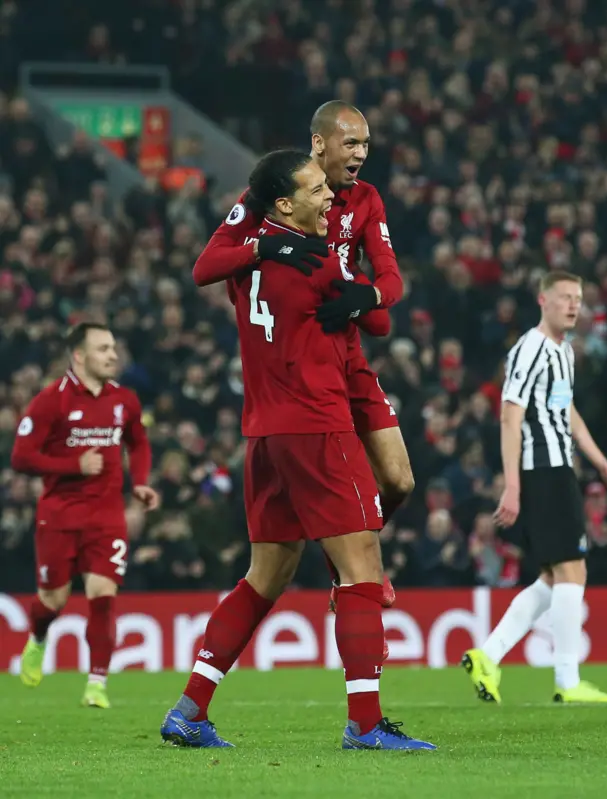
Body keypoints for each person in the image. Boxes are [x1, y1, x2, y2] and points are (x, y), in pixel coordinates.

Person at [161, 150, 436, 751]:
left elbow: (210, 264)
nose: (329, 199)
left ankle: (189, 709)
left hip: (264, 433)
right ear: (284, 203)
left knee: (266, 576)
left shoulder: (247, 259)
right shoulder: (315, 260)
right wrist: (359, 296)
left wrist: (266, 250)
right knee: (362, 568)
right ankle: (365, 726)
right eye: (315, 190)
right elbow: (384, 321)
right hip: (317, 427)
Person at [192, 100, 413, 614]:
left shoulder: (366, 200)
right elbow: (206, 266)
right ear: (321, 143)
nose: (360, 153)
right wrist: (265, 249)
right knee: (284, 553)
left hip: (349, 356)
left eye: (365, 144)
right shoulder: (270, 193)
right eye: (350, 143)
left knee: (400, 480)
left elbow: (390, 282)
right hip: (304, 366)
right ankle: (350, 566)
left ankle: (346, 557)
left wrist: (368, 296)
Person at [462, 271, 607, 703]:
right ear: (543, 300)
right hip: (542, 470)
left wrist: (604, 465)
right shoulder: (531, 349)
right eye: (565, 298)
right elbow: (509, 416)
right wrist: (512, 485)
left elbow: (567, 413)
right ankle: (567, 681)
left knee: (555, 576)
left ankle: (488, 656)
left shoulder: (565, 352)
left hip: (559, 468)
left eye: (578, 298)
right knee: (573, 569)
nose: (574, 305)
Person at [12, 322, 159, 708]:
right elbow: (21, 457)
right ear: (79, 356)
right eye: (103, 348)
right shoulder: (51, 401)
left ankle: (97, 683)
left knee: (103, 595)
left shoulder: (124, 400)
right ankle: (38, 638)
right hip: (58, 515)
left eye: (113, 347)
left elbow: (138, 443)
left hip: (107, 516)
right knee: (53, 600)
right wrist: (74, 464)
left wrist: (140, 482)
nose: (113, 354)